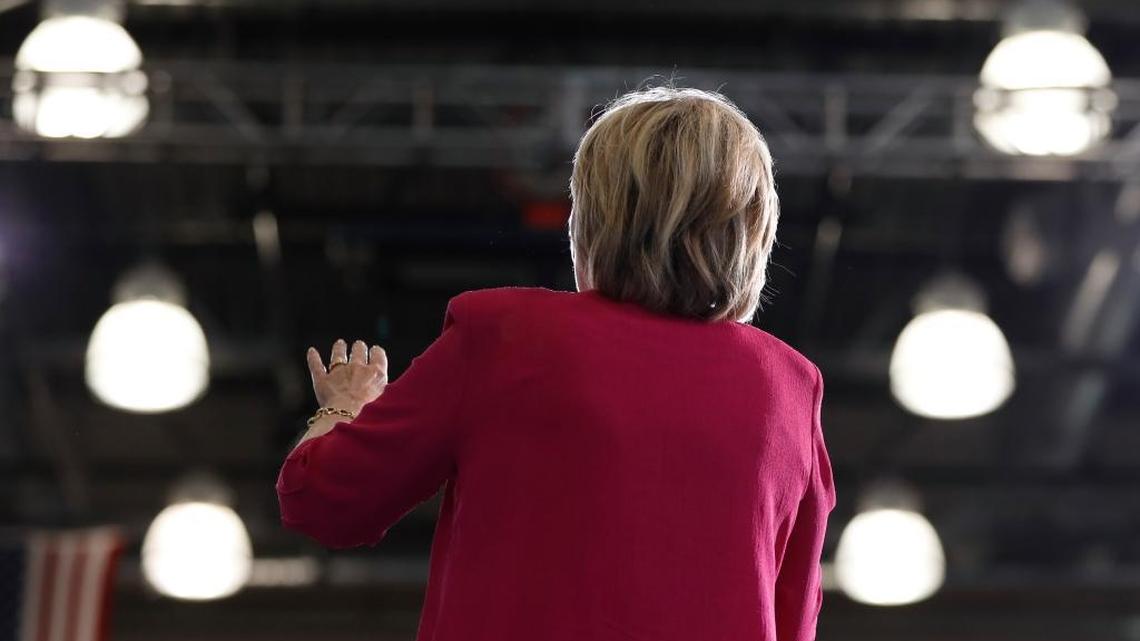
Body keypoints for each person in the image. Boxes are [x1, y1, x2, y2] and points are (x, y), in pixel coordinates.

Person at [277, 86, 837, 641]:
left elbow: (322, 499)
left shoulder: (506, 337)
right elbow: (794, 622)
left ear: (594, 217)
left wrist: (344, 406)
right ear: (753, 230)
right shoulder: (790, 389)